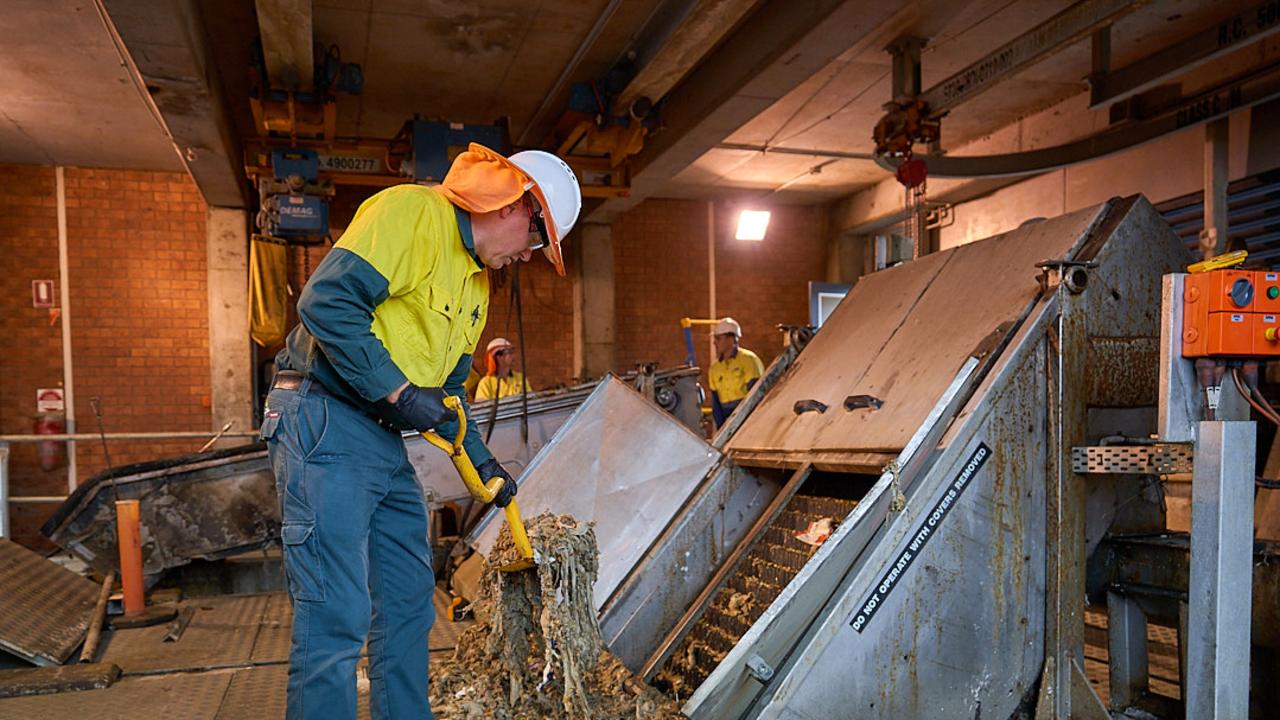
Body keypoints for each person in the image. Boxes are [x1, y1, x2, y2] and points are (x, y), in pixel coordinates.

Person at [259, 143, 581, 720]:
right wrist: (401, 393)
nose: (530, 257)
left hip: (380, 438)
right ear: (514, 204)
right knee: (337, 612)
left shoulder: (477, 287)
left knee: (409, 603)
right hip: (324, 416)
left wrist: (484, 467)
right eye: (537, 240)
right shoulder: (411, 212)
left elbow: (452, 394)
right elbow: (328, 301)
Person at [707, 317, 764, 428]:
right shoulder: (714, 368)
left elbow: (756, 395)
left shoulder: (749, 360)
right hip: (727, 418)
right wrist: (721, 428)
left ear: (731, 339)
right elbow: (716, 402)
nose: (714, 342)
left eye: (718, 339)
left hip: (748, 418)